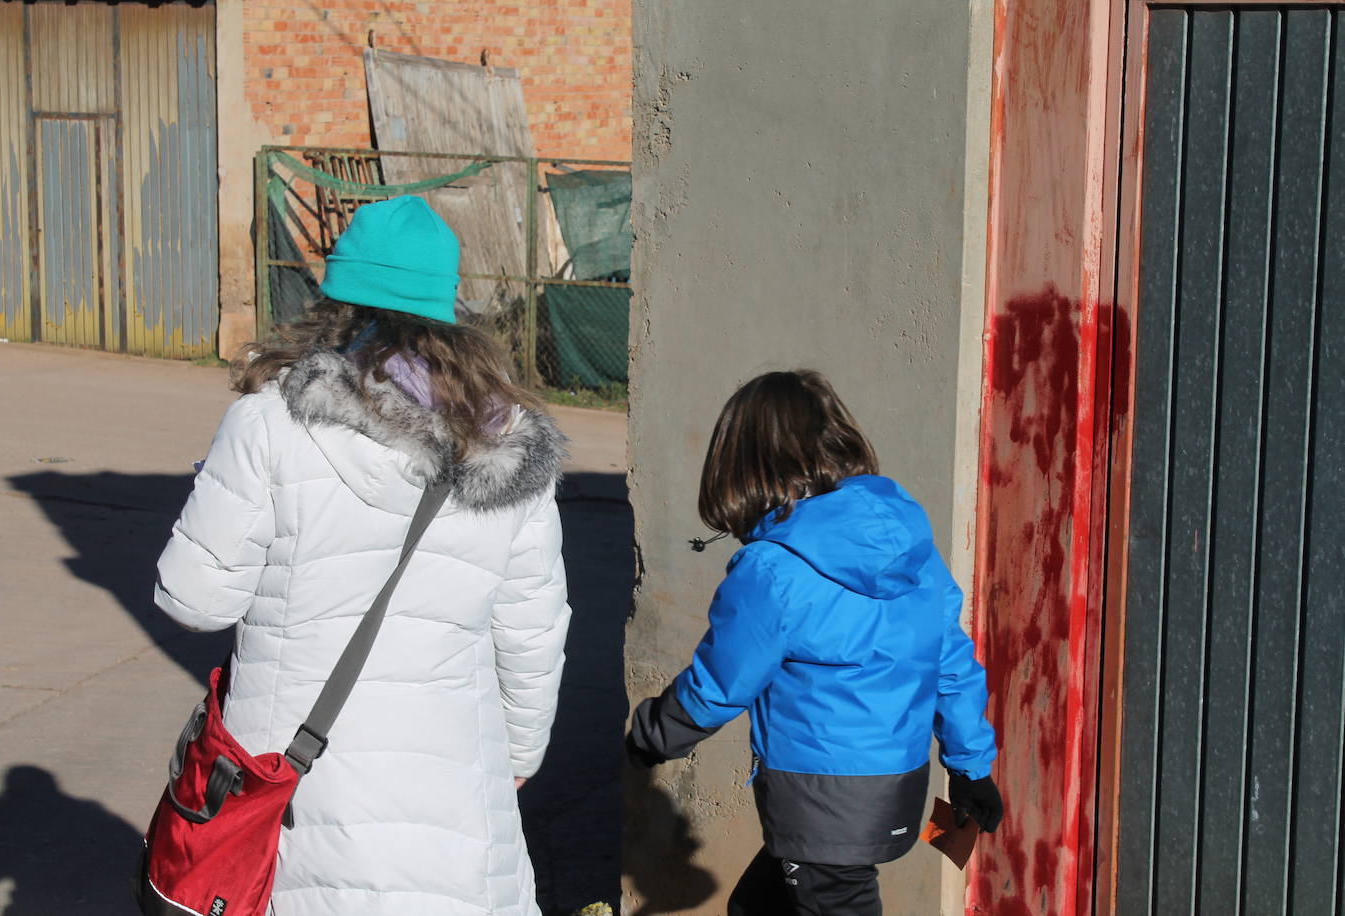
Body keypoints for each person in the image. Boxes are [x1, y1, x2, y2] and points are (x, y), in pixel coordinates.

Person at [153, 196, 571, 915]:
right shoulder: (509, 445)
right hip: (457, 803)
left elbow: (196, 598)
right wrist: (519, 758)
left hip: (296, 793)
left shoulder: (270, 422)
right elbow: (533, 634)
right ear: (448, 308)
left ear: (338, 300)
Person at [625, 370, 1002, 916]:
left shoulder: (772, 569)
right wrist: (971, 769)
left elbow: (719, 687)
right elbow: (950, 664)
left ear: (744, 463)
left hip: (821, 804)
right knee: (758, 907)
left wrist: (649, 737)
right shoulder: (910, 545)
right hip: (890, 790)